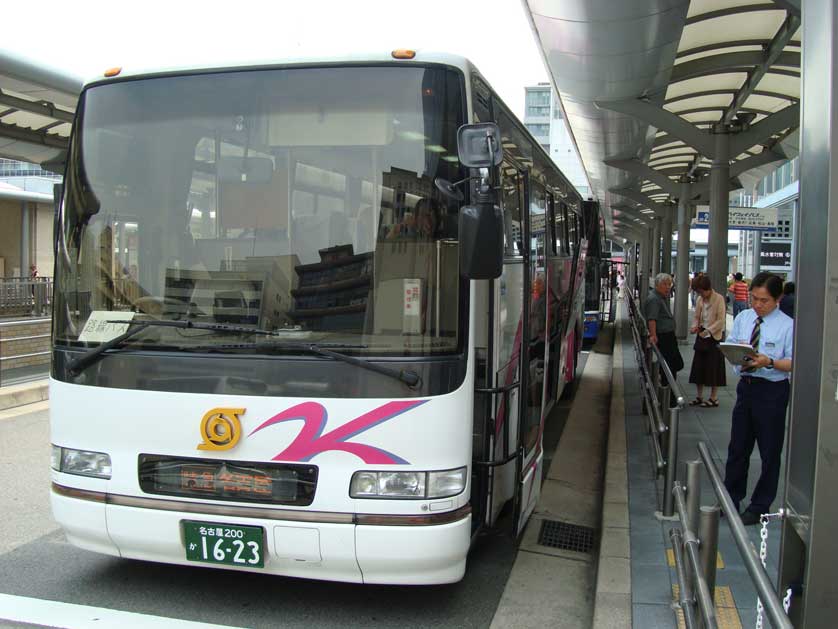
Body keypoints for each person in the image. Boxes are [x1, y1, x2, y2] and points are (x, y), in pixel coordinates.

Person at [723, 272, 794, 525]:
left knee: (769, 451)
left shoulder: (788, 326)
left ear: (778, 299)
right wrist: (736, 359)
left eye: (763, 300)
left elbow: (794, 362)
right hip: (747, 387)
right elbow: (731, 343)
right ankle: (730, 497)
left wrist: (770, 361)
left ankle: (760, 505)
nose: (757, 304)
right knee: (737, 447)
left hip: (772, 392)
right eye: (754, 298)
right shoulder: (744, 317)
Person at [687, 275, 726, 407]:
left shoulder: (719, 299)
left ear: (707, 288)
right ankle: (699, 396)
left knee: (713, 367)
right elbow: (696, 316)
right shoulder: (699, 299)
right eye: (698, 292)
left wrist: (709, 330)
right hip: (701, 335)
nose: (701, 294)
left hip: (714, 337)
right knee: (699, 366)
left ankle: (714, 397)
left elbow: (721, 320)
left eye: (701, 291)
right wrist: (694, 326)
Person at [643, 273, 684, 390]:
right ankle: (669, 395)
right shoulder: (654, 299)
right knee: (669, 365)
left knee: (674, 363)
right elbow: (652, 319)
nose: (668, 287)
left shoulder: (660, 298)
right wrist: (654, 335)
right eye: (665, 284)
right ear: (657, 285)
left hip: (668, 336)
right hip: (663, 337)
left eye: (669, 284)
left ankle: (669, 392)